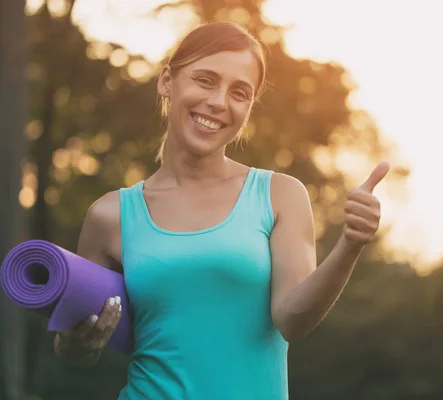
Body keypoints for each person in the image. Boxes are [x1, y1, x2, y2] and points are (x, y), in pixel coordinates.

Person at [53, 20, 390, 399]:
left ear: (248, 108)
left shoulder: (279, 195)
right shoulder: (110, 215)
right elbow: (74, 350)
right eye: (205, 80)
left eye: (239, 92)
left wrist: (350, 245)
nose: (218, 102)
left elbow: (292, 321)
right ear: (167, 81)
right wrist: (82, 342)